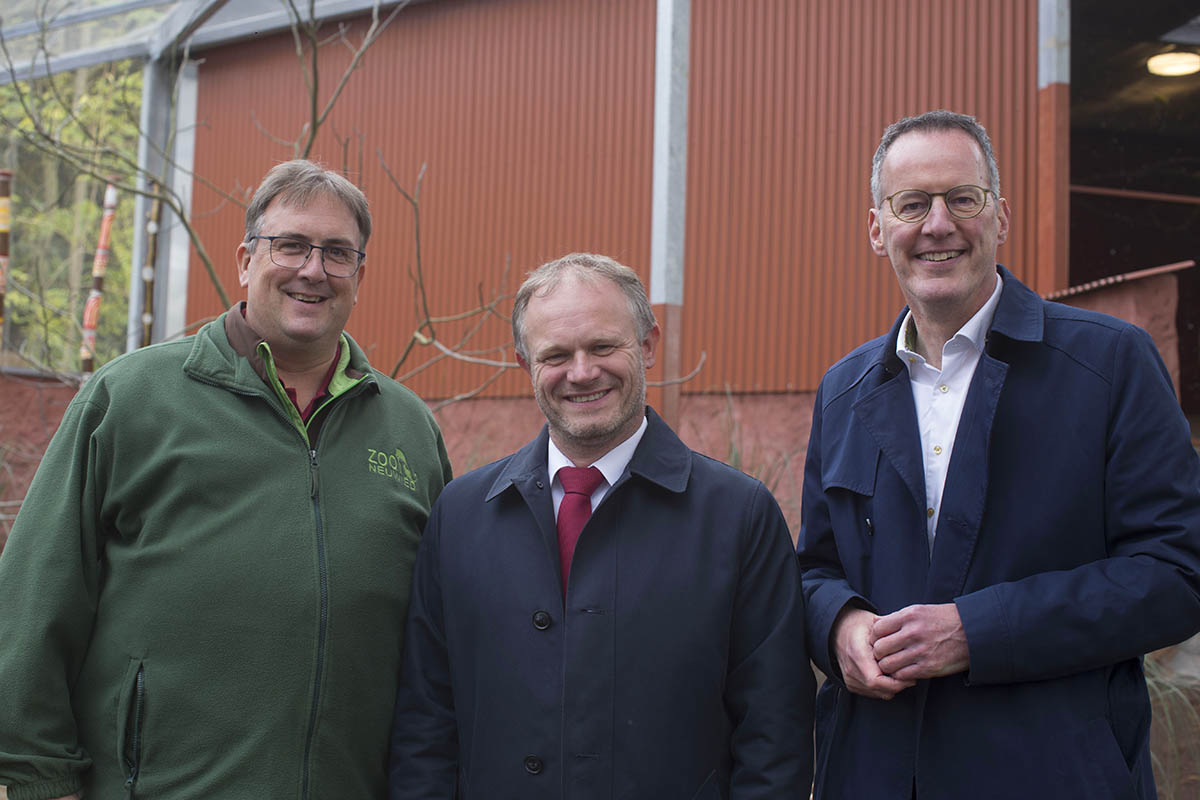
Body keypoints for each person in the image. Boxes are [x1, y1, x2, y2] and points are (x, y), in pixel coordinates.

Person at [0, 160, 452, 800]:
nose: (312, 269)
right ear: (245, 260)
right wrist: (37, 779)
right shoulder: (132, 399)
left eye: (337, 253)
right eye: (290, 244)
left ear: (360, 274)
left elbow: (438, 644)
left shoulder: (408, 429)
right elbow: (34, 603)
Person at [797, 108, 1200, 798]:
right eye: (911, 204)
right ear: (877, 229)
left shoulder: (1109, 365)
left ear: (1001, 216)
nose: (937, 224)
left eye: (963, 198)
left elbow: (1177, 574)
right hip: (876, 773)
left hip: (1053, 772)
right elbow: (815, 570)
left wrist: (977, 631)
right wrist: (840, 625)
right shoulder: (844, 391)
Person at [389, 252, 814, 798]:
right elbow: (425, 722)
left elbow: (774, 735)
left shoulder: (739, 517)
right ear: (525, 366)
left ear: (648, 346)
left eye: (603, 346)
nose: (582, 372)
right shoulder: (460, 516)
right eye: (556, 354)